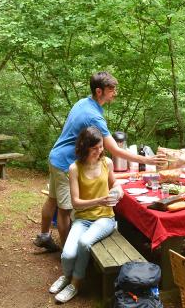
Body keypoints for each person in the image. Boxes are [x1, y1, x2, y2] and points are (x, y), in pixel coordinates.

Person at [33, 71, 165, 252]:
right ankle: (67, 254)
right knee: (64, 210)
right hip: (66, 163)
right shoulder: (94, 117)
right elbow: (116, 150)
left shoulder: (83, 102)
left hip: (55, 156)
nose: (115, 93)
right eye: (111, 90)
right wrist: (147, 159)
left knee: (52, 199)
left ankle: (44, 235)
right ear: (99, 91)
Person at [49, 126, 123, 303]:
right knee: (67, 255)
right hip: (82, 219)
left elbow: (115, 183)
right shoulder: (75, 168)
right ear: (84, 147)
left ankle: (75, 284)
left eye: (101, 147)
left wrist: (119, 190)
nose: (100, 151)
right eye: (95, 148)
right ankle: (66, 277)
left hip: (105, 218)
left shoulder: (107, 163)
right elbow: (75, 203)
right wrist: (99, 200)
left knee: (84, 242)